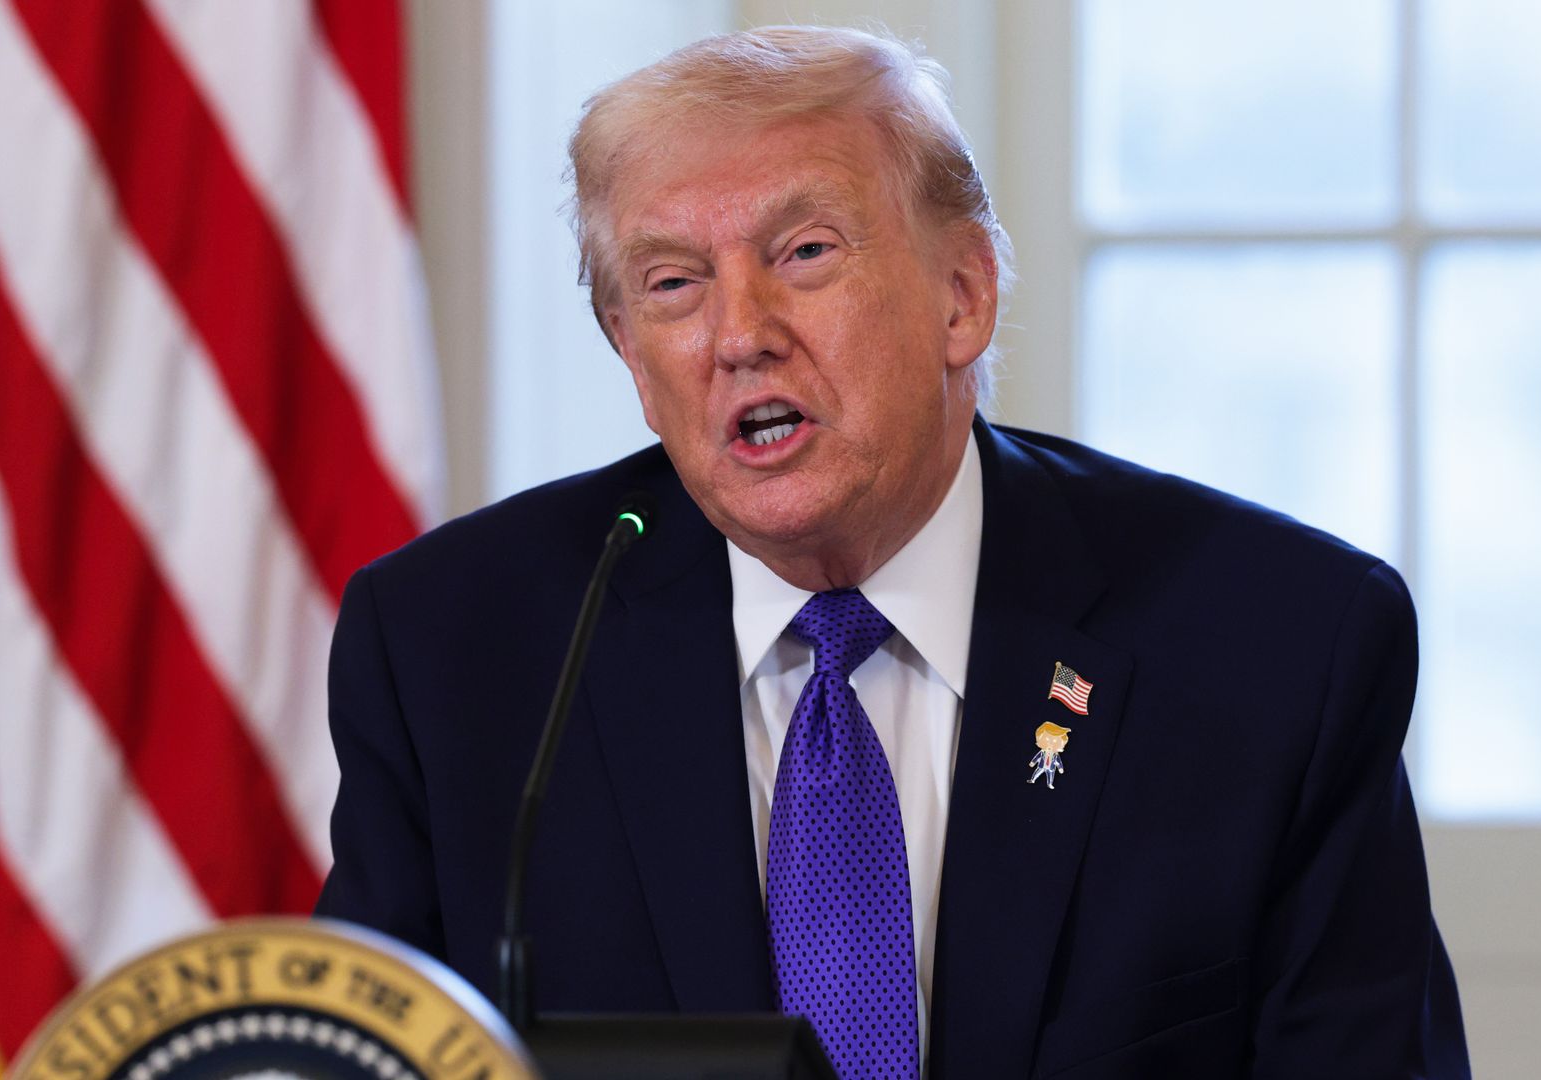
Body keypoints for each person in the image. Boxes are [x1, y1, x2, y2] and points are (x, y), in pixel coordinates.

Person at [317, 25, 1470, 1080]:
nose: (740, 334)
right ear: (631, 354)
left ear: (962, 297)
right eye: (673, 284)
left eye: (805, 252)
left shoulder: (1275, 649)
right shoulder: (455, 652)